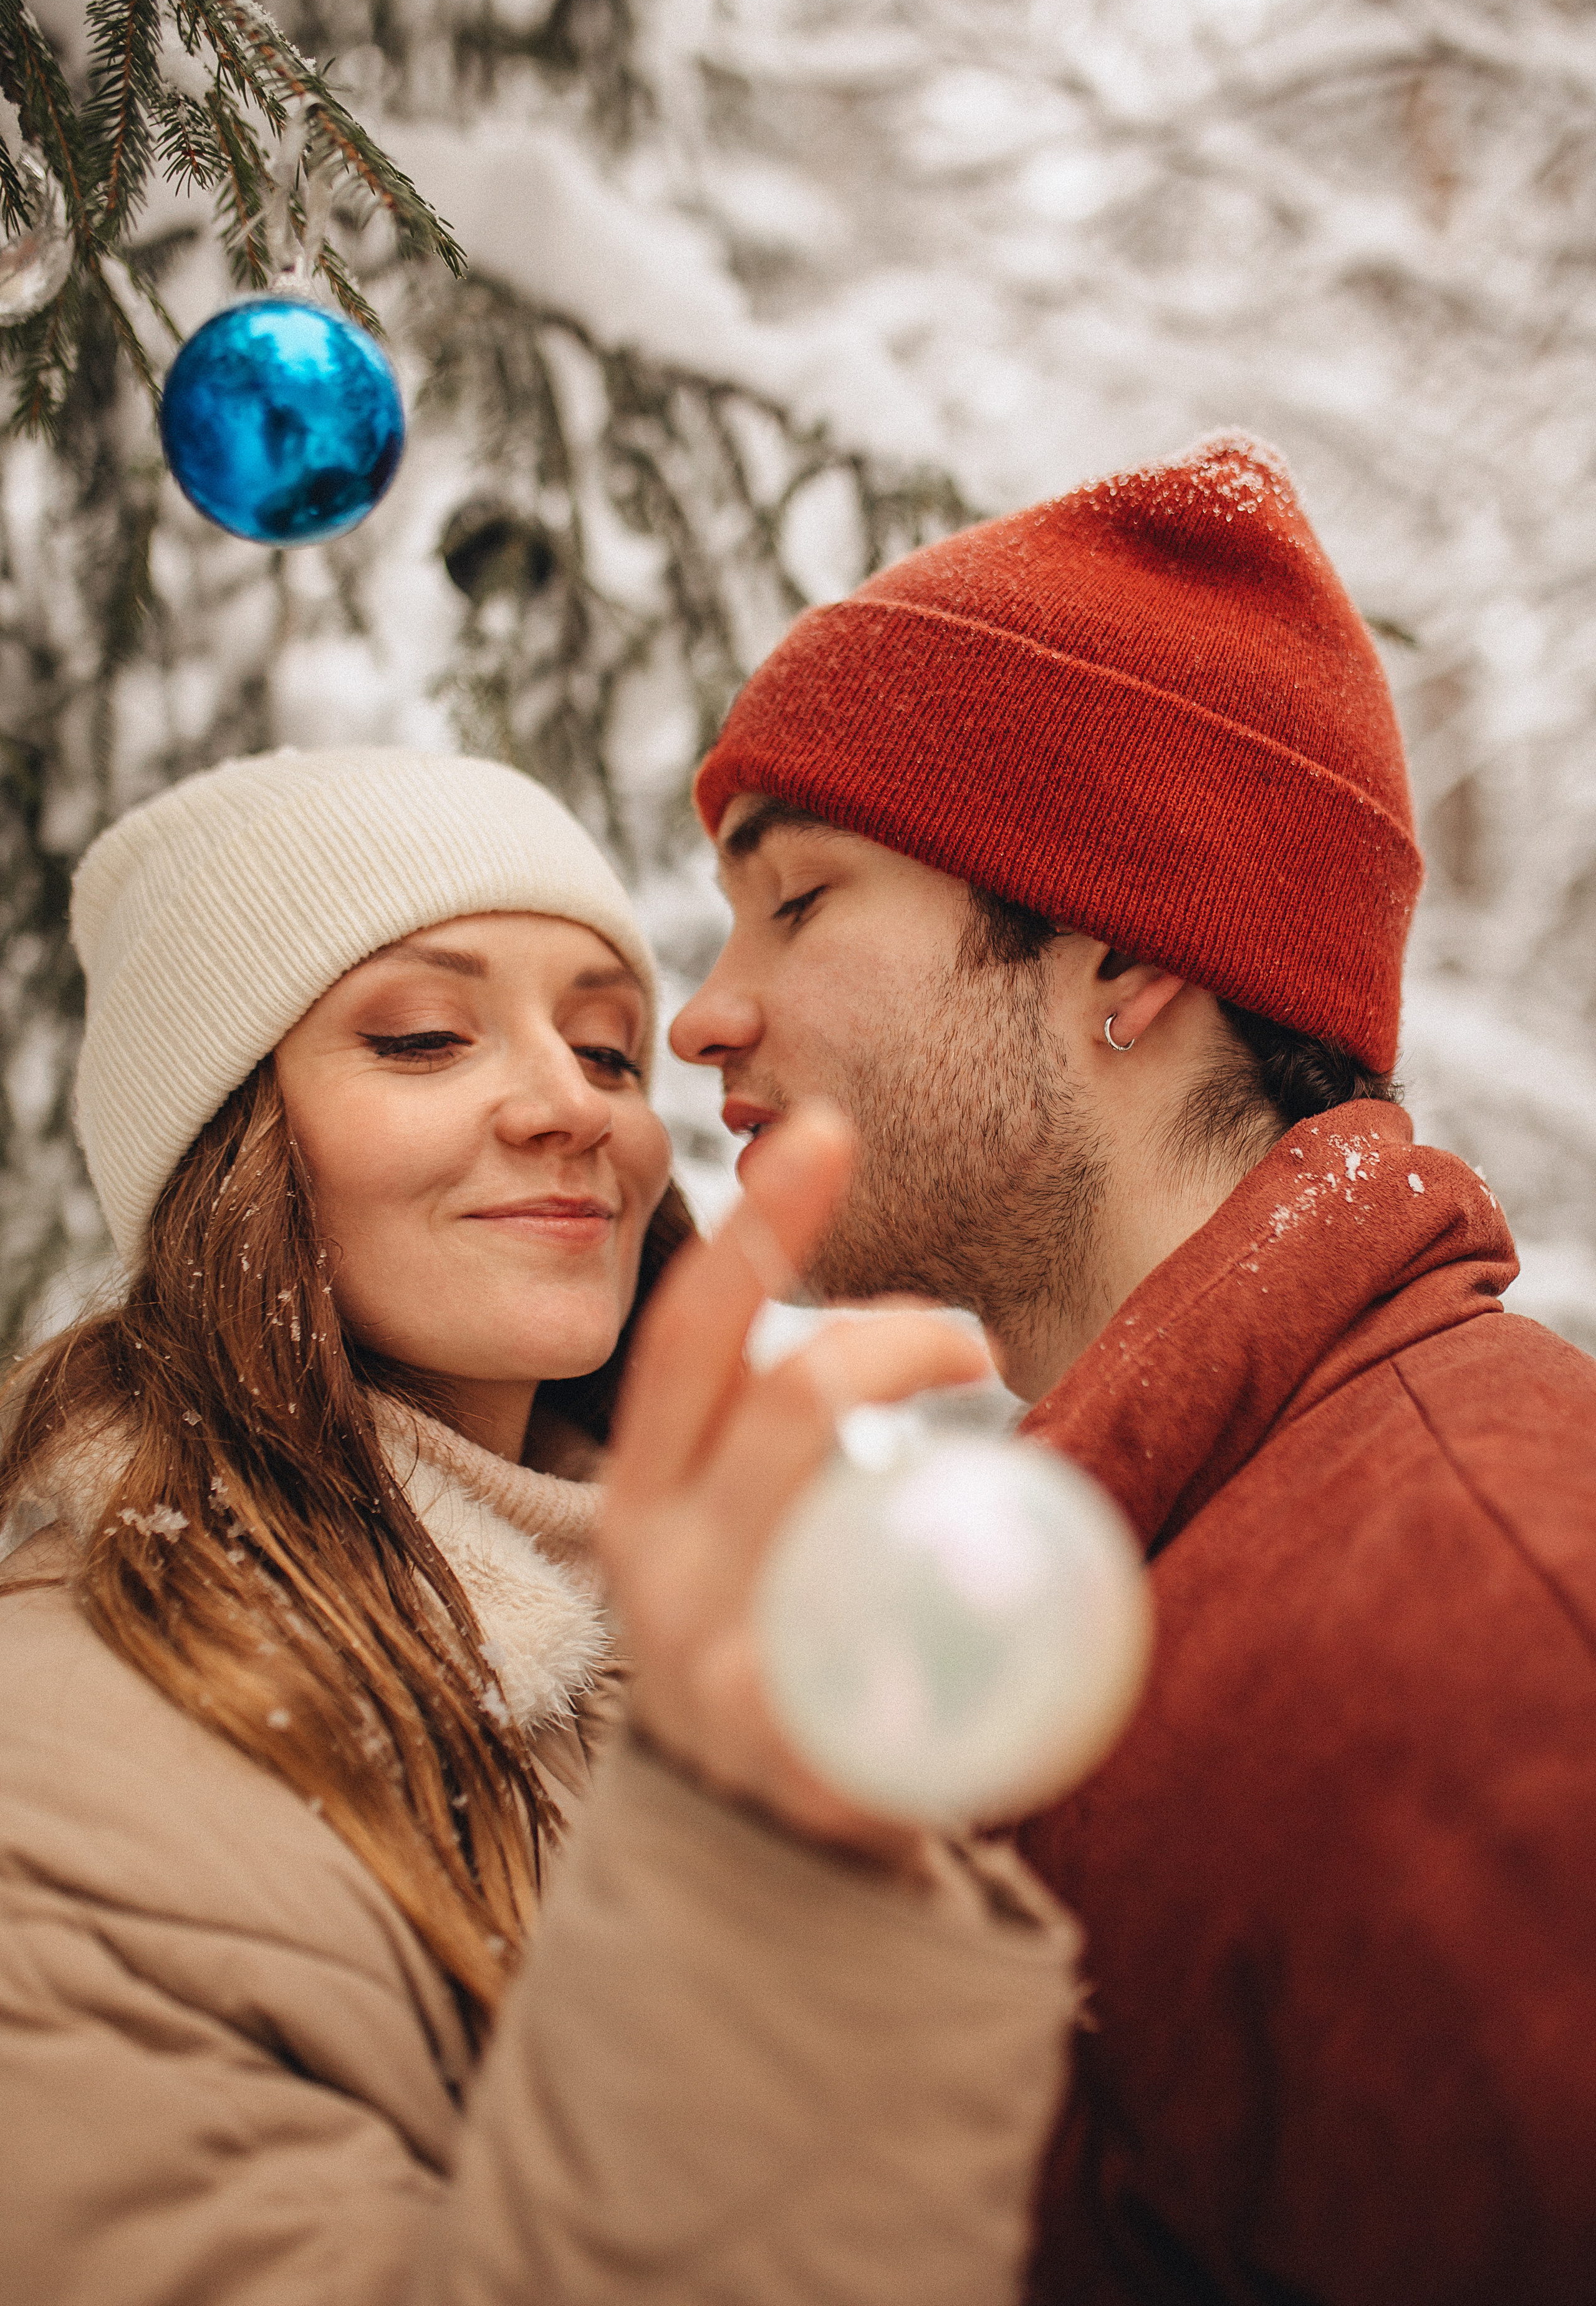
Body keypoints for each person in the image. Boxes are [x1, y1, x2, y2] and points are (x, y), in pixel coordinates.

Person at [671, 432, 1596, 2305]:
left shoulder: (1485, 1624)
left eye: (803, 899)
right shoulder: (1170, 1560)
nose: (703, 1008)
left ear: (1122, 963)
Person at [0, 746, 1085, 2306]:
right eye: (425, 1037)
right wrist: (735, 1858)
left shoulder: (737, 1648)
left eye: (607, 1048)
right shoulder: (57, 1771)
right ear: (223, 1153)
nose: (571, 1106)